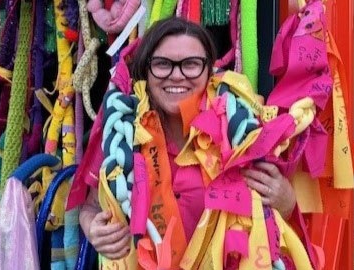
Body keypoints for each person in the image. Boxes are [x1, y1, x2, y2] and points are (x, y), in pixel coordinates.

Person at [78, 17, 297, 265]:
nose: (177, 76)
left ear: (209, 70)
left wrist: (287, 201)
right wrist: (94, 230)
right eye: (162, 64)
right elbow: (91, 208)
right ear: (146, 70)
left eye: (191, 64)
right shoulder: (121, 132)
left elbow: (281, 220)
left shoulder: (243, 131)